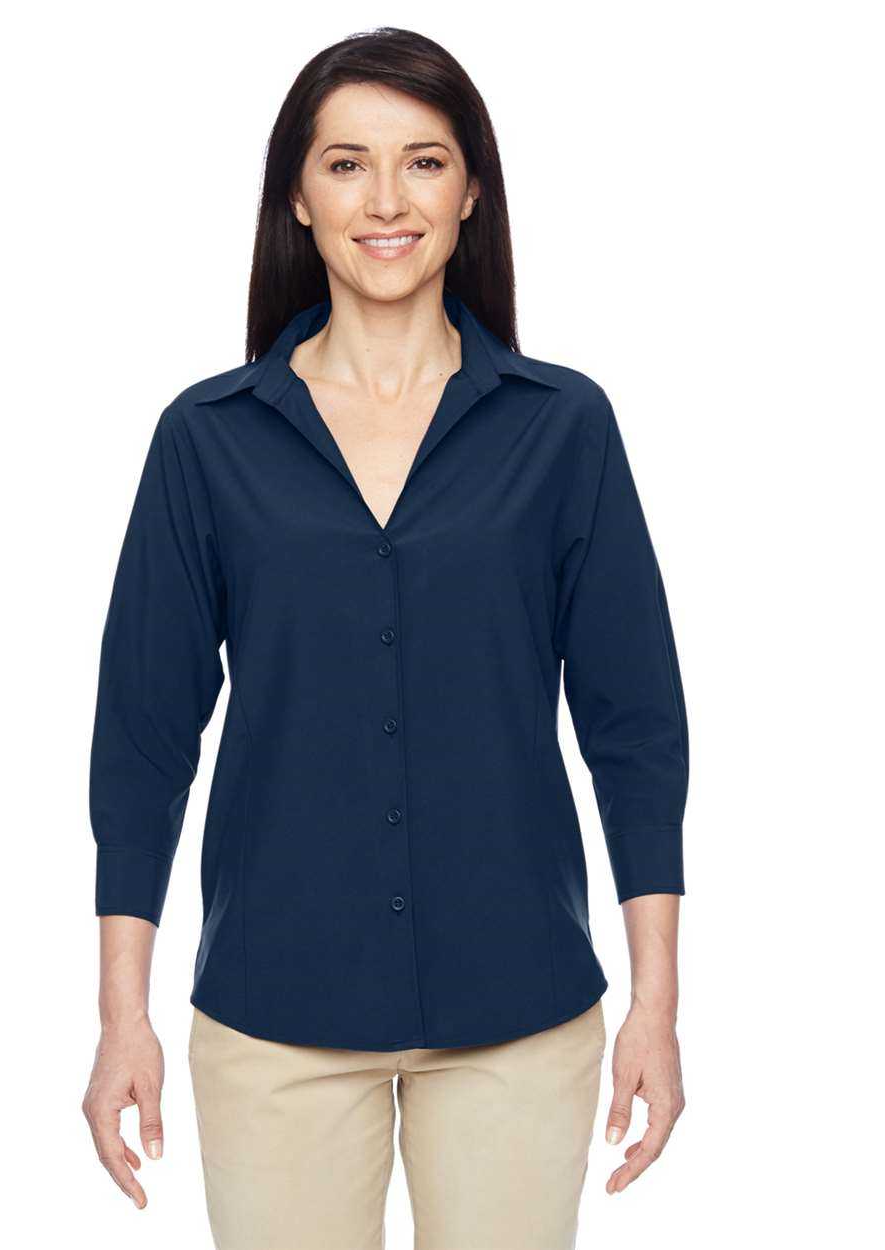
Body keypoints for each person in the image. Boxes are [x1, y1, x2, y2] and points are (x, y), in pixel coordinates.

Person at [81, 26, 689, 1250]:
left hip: (519, 1008)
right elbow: (142, 742)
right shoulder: (206, 440)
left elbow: (634, 728)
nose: (387, 200)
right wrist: (120, 1016)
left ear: (471, 193)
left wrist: (656, 1005)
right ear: (297, 199)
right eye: (347, 164)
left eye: (423, 160)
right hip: (274, 1015)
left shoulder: (563, 429)